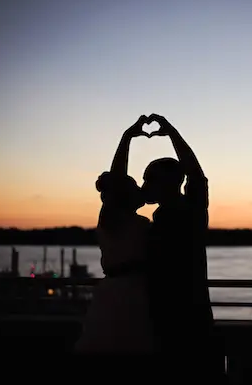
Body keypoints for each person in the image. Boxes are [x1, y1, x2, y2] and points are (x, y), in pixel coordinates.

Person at [141, 114, 224, 378]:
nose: (144, 187)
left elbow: (196, 173)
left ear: (167, 183)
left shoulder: (191, 210)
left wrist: (172, 133)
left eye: (148, 180)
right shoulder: (174, 213)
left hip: (187, 315)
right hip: (169, 314)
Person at [74, 116, 155, 354]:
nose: (140, 188)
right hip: (122, 295)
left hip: (135, 290)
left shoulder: (127, 219)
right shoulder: (113, 217)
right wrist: (127, 137)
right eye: (133, 186)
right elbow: (118, 175)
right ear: (122, 195)